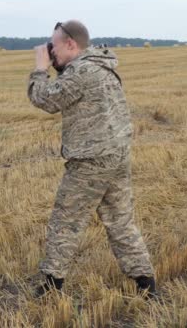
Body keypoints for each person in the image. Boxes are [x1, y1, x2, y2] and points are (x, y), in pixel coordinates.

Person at [27, 20, 157, 298]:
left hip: (91, 160)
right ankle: (146, 283)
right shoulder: (101, 65)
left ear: (71, 44)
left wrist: (40, 68)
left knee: (66, 222)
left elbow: (45, 99)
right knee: (121, 221)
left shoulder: (82, 71)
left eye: (55, 46)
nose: (51, 51)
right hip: (116, 156)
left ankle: (51, 286)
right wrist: (57, 63)